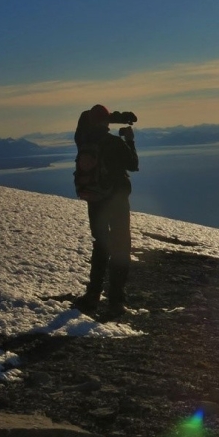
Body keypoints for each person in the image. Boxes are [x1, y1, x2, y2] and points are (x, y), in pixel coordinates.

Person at [73, 104, 139, 316]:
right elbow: (133, 164)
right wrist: (129, 139)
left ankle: (92, 295)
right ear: (105, 122)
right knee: (120, 247)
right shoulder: (113, 143)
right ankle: (116, 300)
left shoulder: (83, 140)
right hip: (117, 202)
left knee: (101, 245)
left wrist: (113, 116)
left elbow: (84, 117)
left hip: (95, 201)